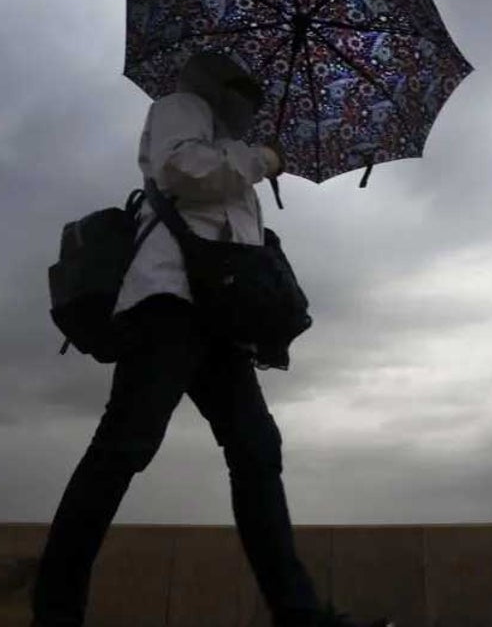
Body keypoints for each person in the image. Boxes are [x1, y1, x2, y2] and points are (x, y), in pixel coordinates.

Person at [32, 51, 389, 627]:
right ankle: (55, 611)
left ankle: (298, 614)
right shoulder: (180, 106)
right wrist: (261, 158)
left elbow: (230, 227)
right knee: (125, 446)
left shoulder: (227, 137)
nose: (256, 90)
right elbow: (183, 172)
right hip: (168, 303)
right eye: (247, 79)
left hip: (219, 316)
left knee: (256, 450)